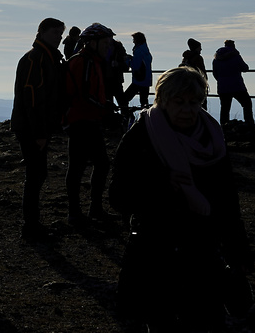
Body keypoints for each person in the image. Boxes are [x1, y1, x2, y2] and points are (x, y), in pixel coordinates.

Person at [109, 66, 252, 333]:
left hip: (203, 252)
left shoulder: (213, 138)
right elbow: (118, 196)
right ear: (162, 100)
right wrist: (163, 185)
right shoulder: (141, 137)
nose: (188, 109)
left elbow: (226, 200)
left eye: (194, 102)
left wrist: (238, 250)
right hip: (155, 252)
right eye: (179, 102)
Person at [11, 18, 66, 241]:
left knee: (37, 173)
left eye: (60, 34)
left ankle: (32, 223)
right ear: (42, 32)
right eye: (55, 33)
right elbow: (33, 98)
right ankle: (31, 225)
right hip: (31, 128)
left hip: (33, 126)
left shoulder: (47, 58)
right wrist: (40, 132)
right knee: (35, 174)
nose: (59, 38)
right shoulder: (36, 59)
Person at [63, 23, 117, 229]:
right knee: (84, 166)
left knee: (92, 164)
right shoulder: (85, 62)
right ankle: (78, 213)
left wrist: (105, 105)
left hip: (85, 119)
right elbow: (83, 95)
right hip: (81, 120)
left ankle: (86, 210)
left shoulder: (91, 61)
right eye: (105, 43)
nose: (108, 47)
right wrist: (105, 108)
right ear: (92, 43)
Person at [211, 40, 253, 127]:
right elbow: (245, 68)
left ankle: (223, 126)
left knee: (225, 108)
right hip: (237, 85)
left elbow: (215, 74)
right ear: (233, 46)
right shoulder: (235, 56)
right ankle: (249, 123)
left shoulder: (216, 59)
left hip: (222, 86)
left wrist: (221, 80)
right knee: (247, 103)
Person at [122, 31, 153, 111]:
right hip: (146, 80)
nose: (133, 41)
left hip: (139, 80)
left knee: (125, 98)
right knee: (144, 102)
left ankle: (125, 116)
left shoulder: (138, 51)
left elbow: (135, 65)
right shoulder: (145, 50)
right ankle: (146, 120)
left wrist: (127, 60)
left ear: (137, 40)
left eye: (134, 39)